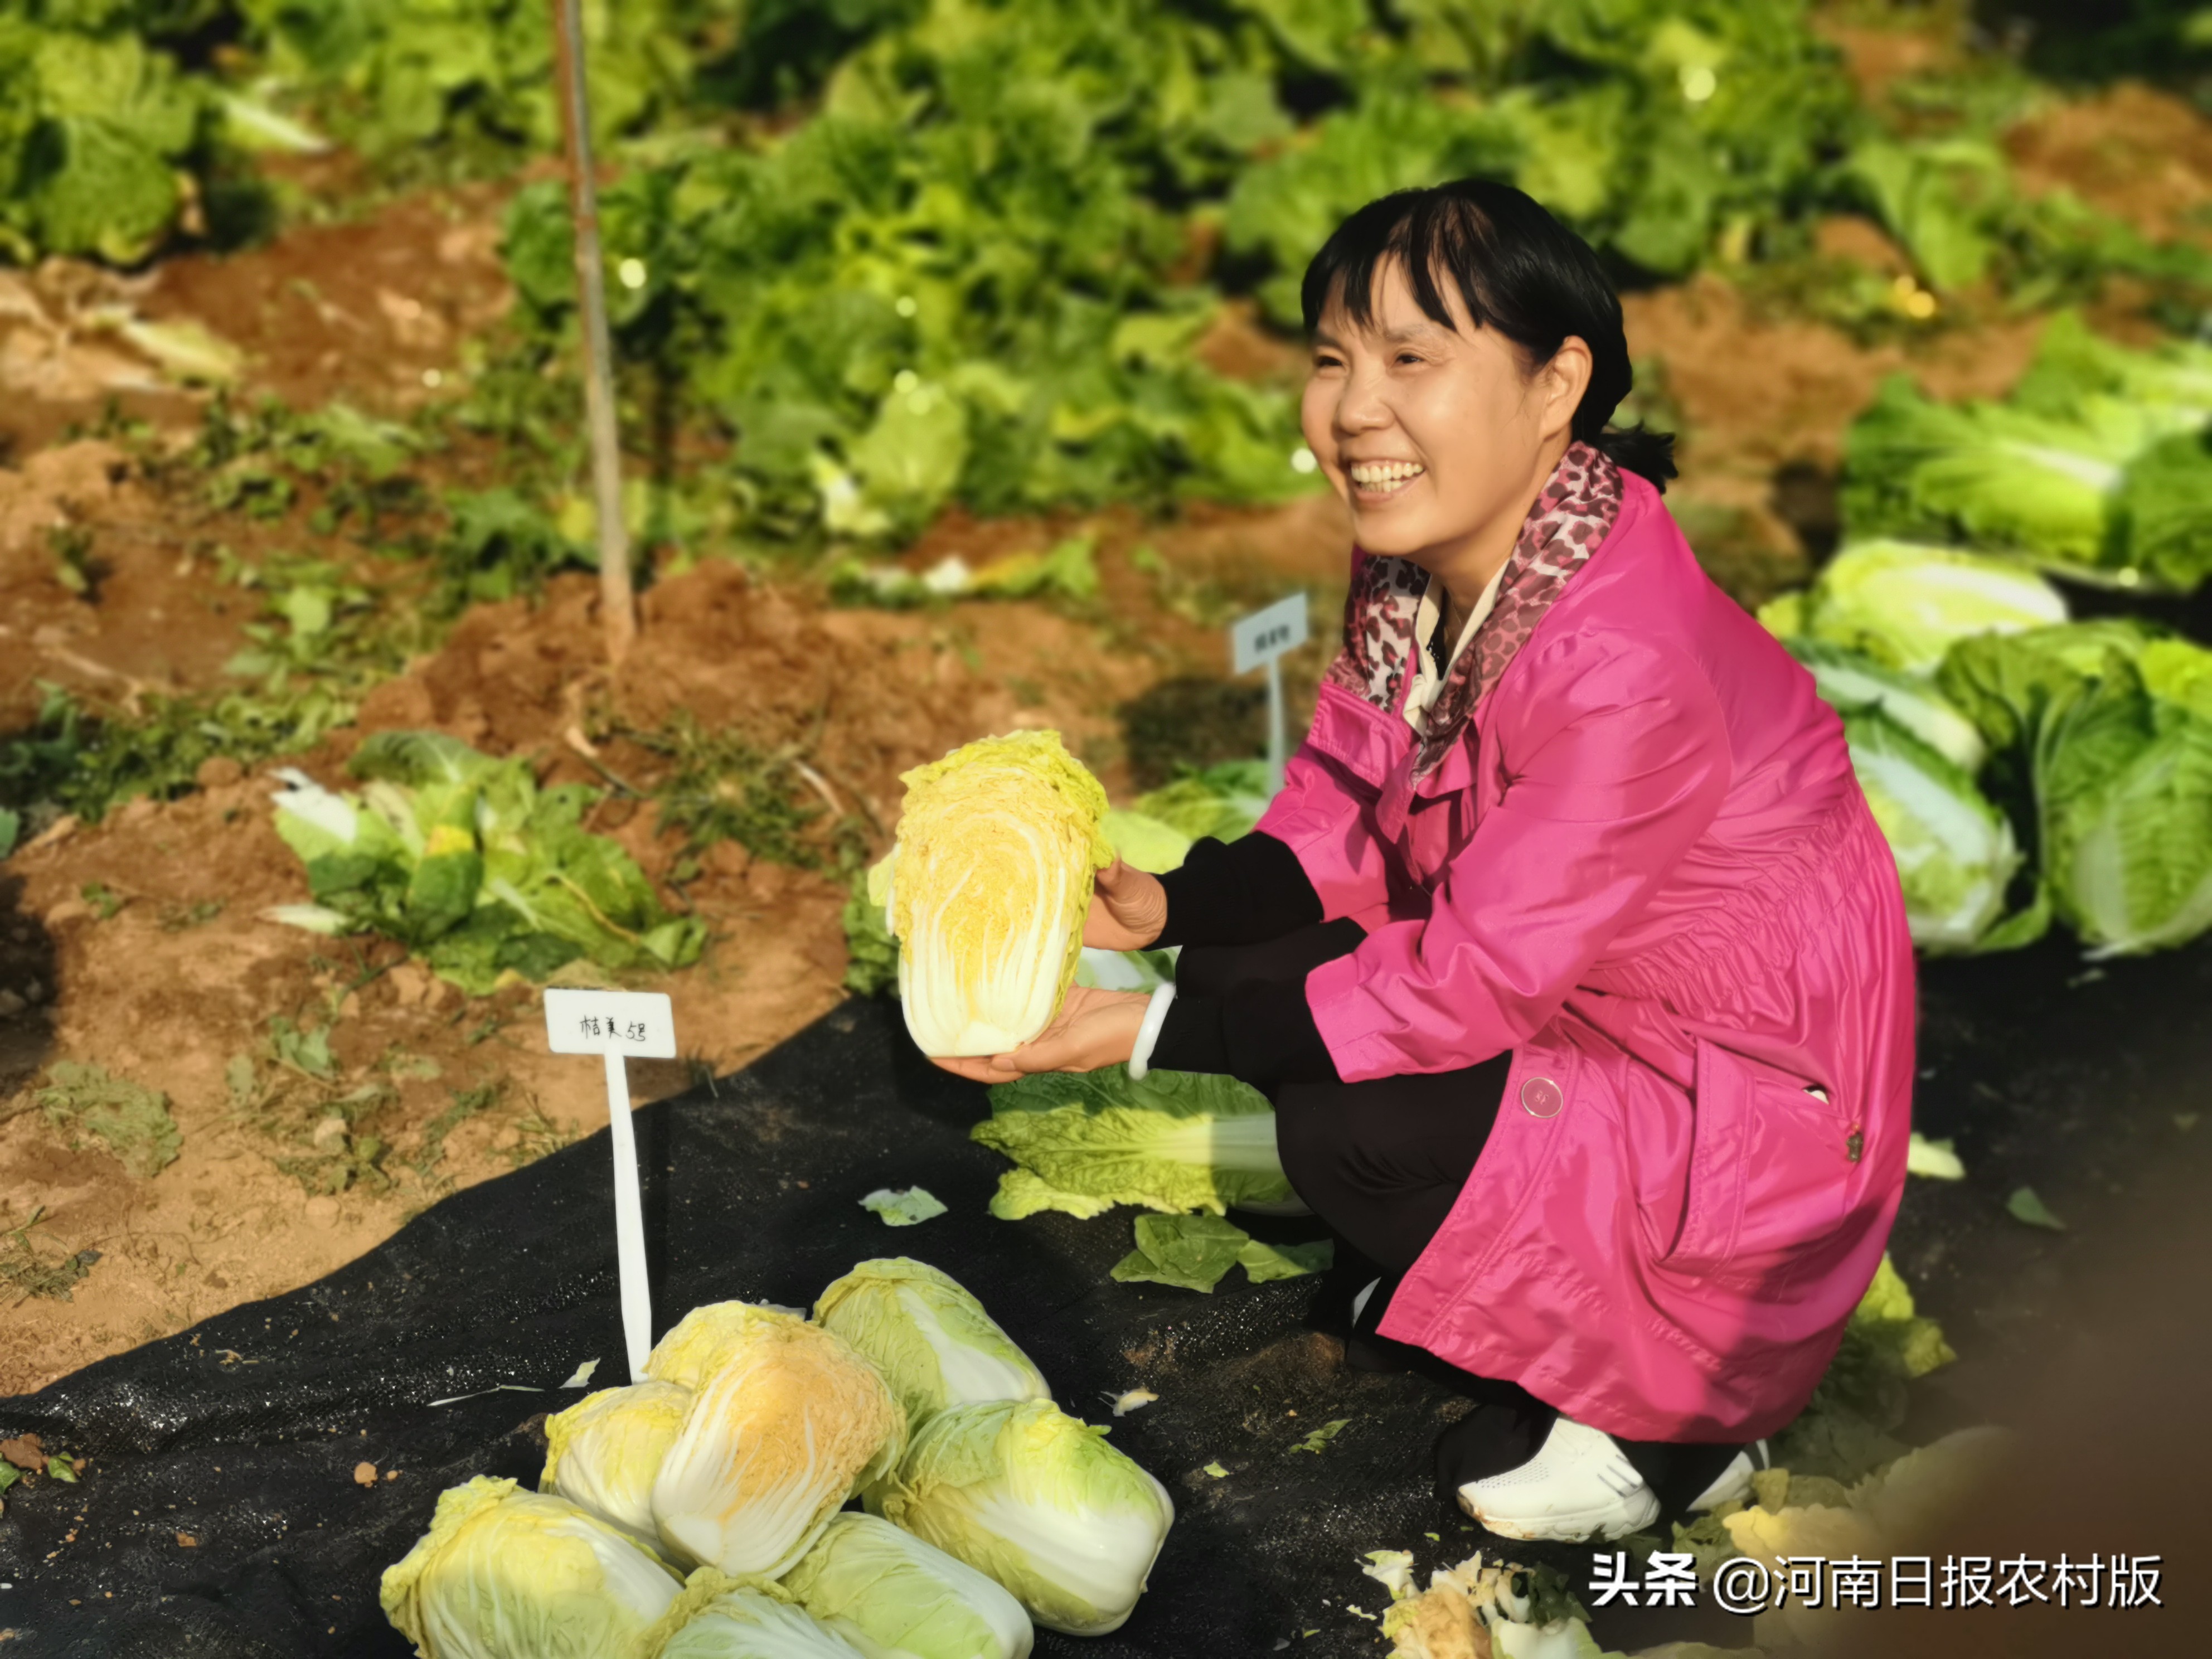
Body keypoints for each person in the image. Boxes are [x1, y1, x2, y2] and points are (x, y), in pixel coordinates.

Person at [932, 178, 1915, 1545]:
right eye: (1333, 359)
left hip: (1741, 1107)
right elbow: (1342, 797)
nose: (1353, 410)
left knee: (1356, 1119)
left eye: (1412, 360)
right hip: (1590, 1001)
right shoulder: (1431, 560)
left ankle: (1682, 1429)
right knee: (1243, 962)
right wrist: (1169, 907)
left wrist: (1137, 1029)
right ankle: (1491, 1271)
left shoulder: (1625, 661)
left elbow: (1466, 990)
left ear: (1556, 380)